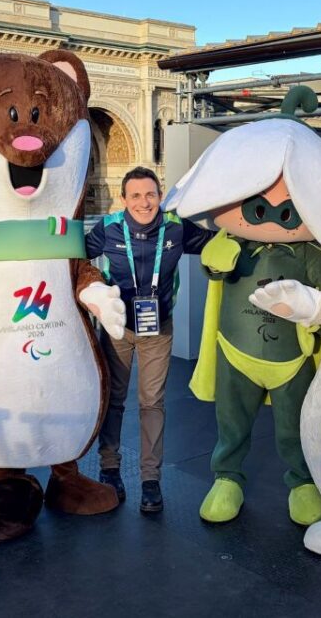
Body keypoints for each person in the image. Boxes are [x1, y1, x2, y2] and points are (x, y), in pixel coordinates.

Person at [86, 167, 214, 513]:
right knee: (113, 399)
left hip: (159, 329)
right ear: (124, 199)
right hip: (117, 329)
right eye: (136, 196)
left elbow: (216, 244)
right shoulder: (109, 228)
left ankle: (150, 479)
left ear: (159, 195)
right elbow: (76, 257)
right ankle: (109, 469)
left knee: (152, 403)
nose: (144, 202)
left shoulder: (176, 226)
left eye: (150, 194)